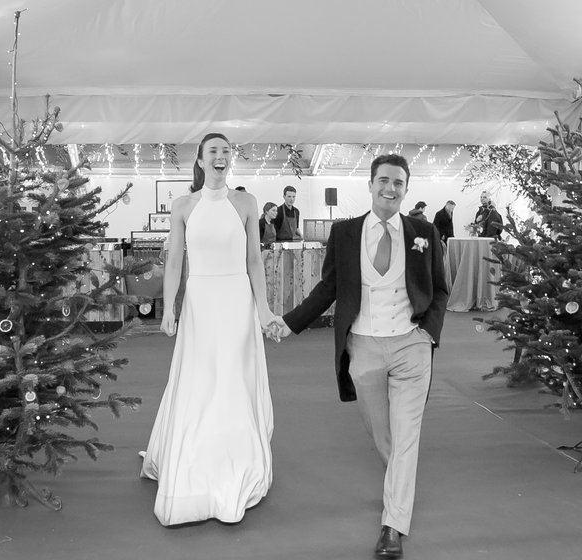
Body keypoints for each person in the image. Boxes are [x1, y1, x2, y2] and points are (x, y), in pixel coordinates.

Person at [270, 154, 448, 559]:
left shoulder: (424, 232)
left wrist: (427, 334)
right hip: (364, 347)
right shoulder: (345, 233)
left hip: (411, 345)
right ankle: (398, 484)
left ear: (406, 188)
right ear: (370, 184)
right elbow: (328, 288)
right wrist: (290, 322)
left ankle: (393, 525)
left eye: (399, 182)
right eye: (384, 180)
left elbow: (439, 289)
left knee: (406, 437)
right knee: (381, 433)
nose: (391, 188)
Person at [141, 132, 279, 526]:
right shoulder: (183, 205)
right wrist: (170, 308)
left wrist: (264, 309)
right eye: (212, 151)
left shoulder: (247, 202)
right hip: (200, 302)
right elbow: (174, 263)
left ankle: (236, 461)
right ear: (200, 161)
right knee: (200, 380)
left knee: (234, 379)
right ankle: (196, 461)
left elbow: (254, 260)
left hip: (238, 301)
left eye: (226, 151)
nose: (220, 157)